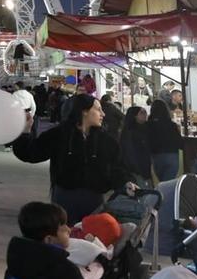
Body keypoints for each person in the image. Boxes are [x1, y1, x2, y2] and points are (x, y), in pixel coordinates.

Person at [12, 93, 133, 224]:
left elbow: (118, 167)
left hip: (95, 199)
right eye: (98, 109)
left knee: (92, 235)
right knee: (66, 237)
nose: (103, 114)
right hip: (64, 198)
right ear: (84, 111)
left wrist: (125, 182)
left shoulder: (107, 141)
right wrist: (25, 132)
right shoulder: (59, 135)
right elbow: (31, 153)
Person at [144, 100, 184, 185]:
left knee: (162, 183)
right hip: (172, 156)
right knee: (167, 184)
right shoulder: (172, 125)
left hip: (156, 157)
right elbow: (180, 142)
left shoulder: (148, 125)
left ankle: (162, 197)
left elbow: (147, 142)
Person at [117, 106, 153, 184]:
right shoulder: (129, 131)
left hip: (145, 167)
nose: (145, 115)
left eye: (145, 112)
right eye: (142, 113)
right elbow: (129, 152)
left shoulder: (146, 127)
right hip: (135, 169)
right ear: (134, 116)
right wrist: (137, 170)